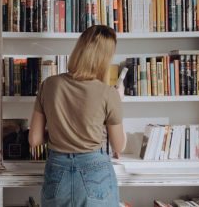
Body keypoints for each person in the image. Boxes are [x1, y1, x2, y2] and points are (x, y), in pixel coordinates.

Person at [29, 25, 126, 207]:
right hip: (95, 170)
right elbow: (119, 145)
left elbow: (34, 139)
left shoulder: (49, 85)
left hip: (57, 169)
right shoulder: (108, 93)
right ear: (105, 58)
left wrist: (60, 132)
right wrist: (118, 101)